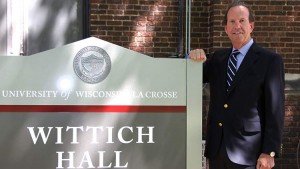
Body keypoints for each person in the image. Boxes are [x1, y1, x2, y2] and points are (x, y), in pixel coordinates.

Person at [189, 1, 285, 169]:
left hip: (250, 153)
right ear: (226, 28)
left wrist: (269, 152)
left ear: (251, 25)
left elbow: (275, 109)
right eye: (232, 22)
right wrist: (192, 60)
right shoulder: (218, 59)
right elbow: (192, 78)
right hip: (217, 150)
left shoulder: (269, 60)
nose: (237, 26)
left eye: (242, 21)